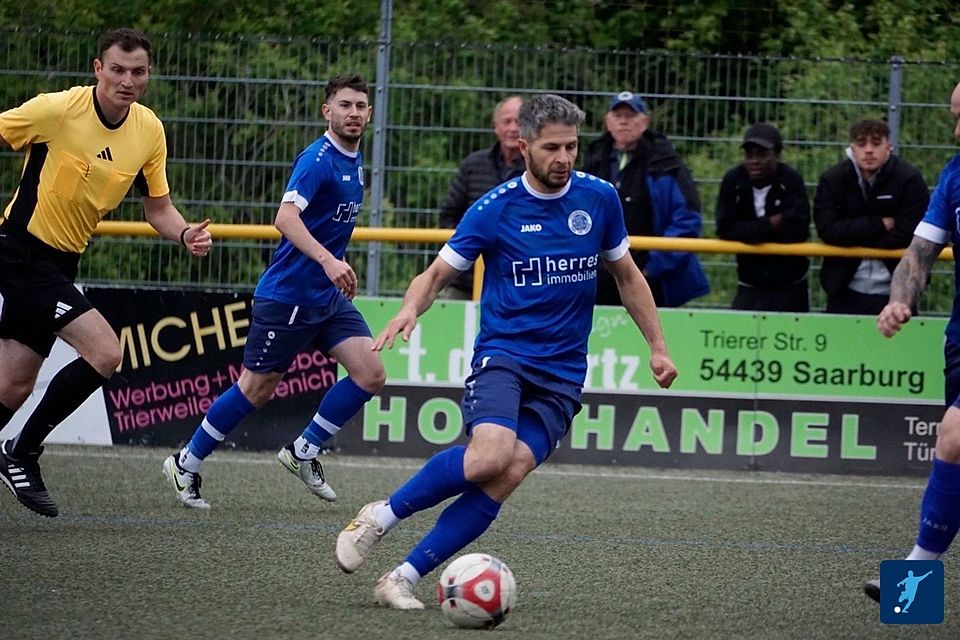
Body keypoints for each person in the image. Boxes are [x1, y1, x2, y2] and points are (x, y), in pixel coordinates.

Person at [334, 94, 678, 609]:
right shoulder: (494, 210)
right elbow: (435, 275)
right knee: (489, 456)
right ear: (524, 146)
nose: (564, 158)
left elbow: (627, 277)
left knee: (510, 469)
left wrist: (658, 348)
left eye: (571, 146)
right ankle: (381, 516)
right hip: (504, 358)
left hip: (562, 374)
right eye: (552, 147)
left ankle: (400, 578)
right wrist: (410, 310)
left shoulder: (600, 199)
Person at [0, 28, 213, 518]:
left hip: (60, 262)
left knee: (12, 384)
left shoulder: (148, 131)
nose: (127, 80)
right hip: (18, 252)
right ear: (98, 69)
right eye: (117, 69)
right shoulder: (58, 110)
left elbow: (158, 209)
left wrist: (184, 235)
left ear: (148, 75)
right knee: (105, 351)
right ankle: (22, 452)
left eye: (138, 72)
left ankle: (17, 450)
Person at [161, 74, 385, 509]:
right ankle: (185, 462)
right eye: (344, 105)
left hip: (326, 297)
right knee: (256, 389)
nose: (353, 113)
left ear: (369, 113)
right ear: (328, 111)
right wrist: (328, 260)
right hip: (288, 297)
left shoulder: (355, 160)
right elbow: (284, 219)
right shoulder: (317, 159)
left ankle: (304, 450)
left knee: (370, 373)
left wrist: (335, 267)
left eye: (360, 105)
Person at [864, 82, 960, 604]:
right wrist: (899, 298)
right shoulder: (954, 175)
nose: (958, 129)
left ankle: (914, 587)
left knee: (953, 438)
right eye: (955, 116)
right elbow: (919, 253)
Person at [583, 90, 709, 307]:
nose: (624, 122)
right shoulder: (594, 159)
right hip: (600, 274)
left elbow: (686, 219)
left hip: (651, 276)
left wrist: (653, 267)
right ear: (607, 122)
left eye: (630, 116)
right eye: (618, 116)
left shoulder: (667, 163)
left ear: (645, 122)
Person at [814, 119, 929, 315]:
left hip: (898, 294)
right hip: (844, 290)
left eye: (876, 143)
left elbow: (910, 233)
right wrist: (881, 224)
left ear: (888, 146)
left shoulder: (909, 179)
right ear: (852, 148)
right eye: (861, 144)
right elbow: (828, 230)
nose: (868, 150)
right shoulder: (832, 179)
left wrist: (852, 236)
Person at [715, 123, 811, 312]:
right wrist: (768, 224)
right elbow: (724, 229)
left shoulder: (791, 181)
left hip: (790, 284)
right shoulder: (733, 181)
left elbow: (798, 231)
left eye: (762, 154)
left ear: (777, 155)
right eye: (749, 155)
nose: (754, 161)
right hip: (749, 283)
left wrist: (749, 233)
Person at [437, 96, 525, 299]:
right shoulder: (473, 165)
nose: (513, 128)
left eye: (519, 122)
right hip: (465, 280)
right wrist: (464, 253)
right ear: (495, 127)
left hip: (518, 281)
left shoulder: (537, 168)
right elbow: (448, 215)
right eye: (506, 121)